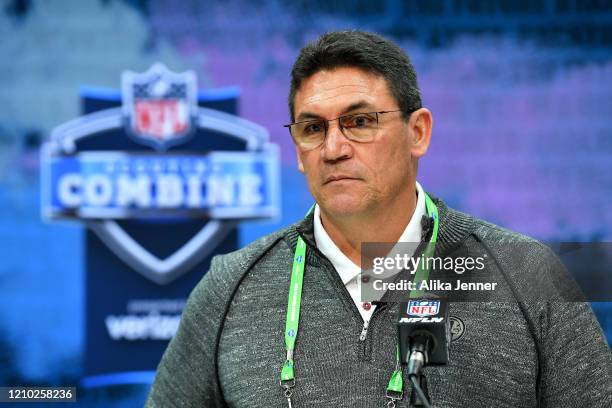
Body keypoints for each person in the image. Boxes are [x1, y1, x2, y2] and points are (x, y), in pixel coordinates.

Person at [146, 30, 611, 407]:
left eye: (360, 122)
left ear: (418, 132)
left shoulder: (525, 274)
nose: (333, 149)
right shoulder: (231, 285)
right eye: (312, 129)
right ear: (298, 152)